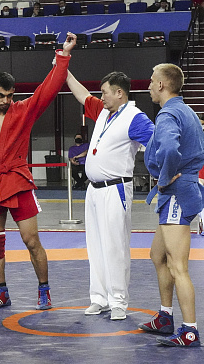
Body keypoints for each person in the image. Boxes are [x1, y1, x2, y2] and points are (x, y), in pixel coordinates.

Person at [0, 32, 77, 311]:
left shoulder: (23, 111)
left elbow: (48, 89)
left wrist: (64, 55)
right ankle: (1, 293)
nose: (6, 100)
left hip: (18, 181)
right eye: (1, 95)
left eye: (10, 96)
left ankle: (44, 290)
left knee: (31, 240)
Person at [65, 70, 154, 320]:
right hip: (93, 190)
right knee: (95, 246)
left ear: (119, 93)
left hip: (116, 189)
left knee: (115, 246)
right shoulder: (105, 111)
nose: (101, 97)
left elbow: (159, 142)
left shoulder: (135, 118)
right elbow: (83, 95)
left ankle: (118, 302)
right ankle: (99, 298)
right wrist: (65, 70)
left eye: (104, 92)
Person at [138, 63, 204, 347]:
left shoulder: (169, 113)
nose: (148, 86)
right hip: (178, 192)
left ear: (161, 85)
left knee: (178, 266)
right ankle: (165, 316)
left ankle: (190, 331)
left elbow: (170, 148)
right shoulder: (185, 109)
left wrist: (165, 177)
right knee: (158, 255)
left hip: (177, 193)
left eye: (151, 81)